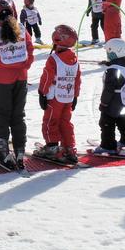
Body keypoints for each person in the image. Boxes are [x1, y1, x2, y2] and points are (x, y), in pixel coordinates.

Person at [0, 0, 34, 170]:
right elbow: (30, 50)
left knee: (3, 115)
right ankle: (19, 151)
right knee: (18, 115)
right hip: (21, 77)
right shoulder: (22, 30)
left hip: (2, 79)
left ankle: (3, 152)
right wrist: (24, 67)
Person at [35, 25, 81, 163]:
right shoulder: (74, 59)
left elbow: (47, 77)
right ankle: (69, 147)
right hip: (67, 96)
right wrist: (75, 96)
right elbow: (77, 79)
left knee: (51, 121)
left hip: (54, 98)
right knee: (65, 122)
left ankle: (52, 147)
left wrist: (42, 92)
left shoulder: (54, 59)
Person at [92, 38, 125, 156]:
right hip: (124, 98)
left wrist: (104, 103)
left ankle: (108, 145)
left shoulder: (114, 70)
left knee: (106, 122)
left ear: (116, 52)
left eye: (109, 53)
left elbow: (109, 88)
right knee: (121, 118)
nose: (108, 55)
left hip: (112, 100)